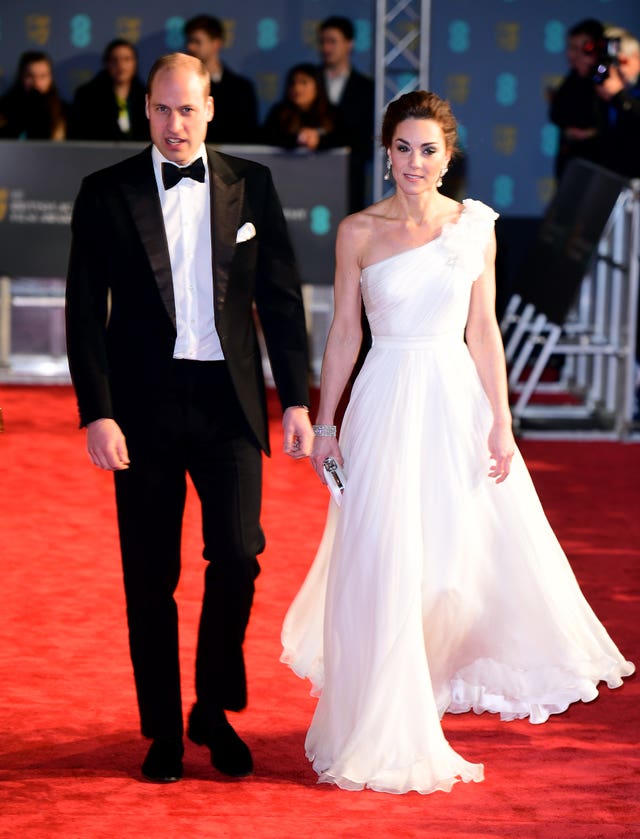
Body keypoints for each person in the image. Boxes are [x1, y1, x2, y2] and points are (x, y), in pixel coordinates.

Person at [281, 90, 634, 795]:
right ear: (387, 152)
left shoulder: (474, 229)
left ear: (449, 157)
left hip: (452, 404)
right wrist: (326, 422)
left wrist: (501, 419)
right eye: (404, 148)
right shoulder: (357, 231)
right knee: (383, 563)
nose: (415, 162)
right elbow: (346, 333)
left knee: (449, 571)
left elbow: (484, 330)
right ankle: (383, 722)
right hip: (382, 403)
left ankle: (425, 687)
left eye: (429, 149)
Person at [66, 52, 314, 784]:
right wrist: (98, 413)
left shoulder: (252, 184)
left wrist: (295, 396)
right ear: (146, 108)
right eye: (163, 109)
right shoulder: (105, 192)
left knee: (238, 553)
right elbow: (85, 314)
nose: (176, 125)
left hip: (229, 401)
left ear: (212, 108)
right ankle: (165, 730)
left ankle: (212, 706)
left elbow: (280, 298)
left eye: (189, 109)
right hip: (142, 408)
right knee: (151, 575)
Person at [317, 16, 374, 212]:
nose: (326, 48)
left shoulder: (366, 88)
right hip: (308, 175)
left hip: (348, 181)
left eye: (332, 41)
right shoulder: (306, 81)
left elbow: (364, 139)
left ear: (349, 44)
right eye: (323, 42)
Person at [184, 14, 258, 144]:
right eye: (189, 41)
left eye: (197, 41)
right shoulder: (180, 85)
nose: (190, 47)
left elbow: (248, 137)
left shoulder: (241, 89)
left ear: (216, 44)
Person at [548, 18, 606, 179]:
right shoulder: (573, 79)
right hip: (571, 166)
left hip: (599, 171)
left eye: (579, 48)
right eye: (570, 47)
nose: (571, 54)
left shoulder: (604, 80)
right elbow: (557, 113)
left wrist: (591, 133)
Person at [67, 38, 148, 141]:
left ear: (135, 63)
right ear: (106, 64)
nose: (121, 65)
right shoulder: (87, 96)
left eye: (126, 59)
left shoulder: (146, 97)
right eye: (115, 60)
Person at [261, 63, 345, 151]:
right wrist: (298, 138)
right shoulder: (279, 112)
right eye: (293, 83)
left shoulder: (333, 113)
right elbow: (267, 140)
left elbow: (344, 141)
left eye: (304, 82)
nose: (297, 88)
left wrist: (319, 140)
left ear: (318, 87)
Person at [595, 28, 640, 179]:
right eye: (611, 62)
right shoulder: (603, 84)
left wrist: (619, 96)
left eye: (621, 61)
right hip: (611, 174)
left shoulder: (624, 93)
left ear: (636, 58)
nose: (617, 69)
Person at [0, 50, 68, 139]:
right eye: (30, 76)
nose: (36, 82)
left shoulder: (63, 111)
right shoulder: (4, 108)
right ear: (21, 77)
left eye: (43, 76)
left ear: (50, 78)